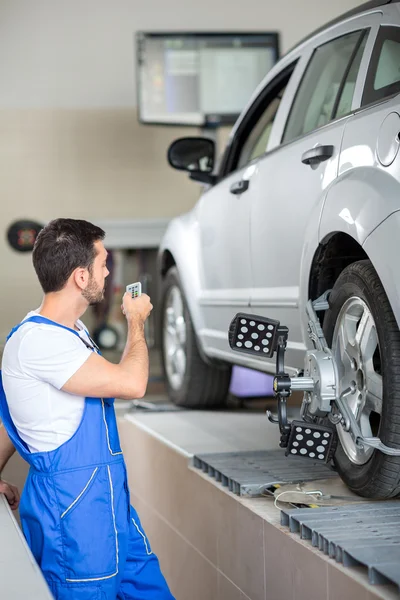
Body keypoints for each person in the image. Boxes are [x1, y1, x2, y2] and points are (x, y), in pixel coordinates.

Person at [0, 218, 175, 600]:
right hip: (74, 517)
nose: (109, 272)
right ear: (81, 277)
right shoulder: (39, 341)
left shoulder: (71, 332)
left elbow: (10, 419)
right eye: (103, 263)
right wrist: (136, 322)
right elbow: (132, 383)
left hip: (108, 504)